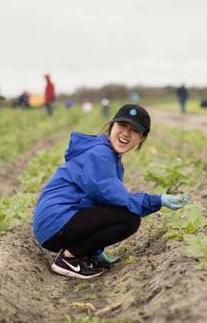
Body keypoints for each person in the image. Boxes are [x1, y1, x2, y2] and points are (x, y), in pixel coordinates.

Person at [33, 104, 192, 279]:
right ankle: (68, 259)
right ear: (112, 126)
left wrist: (95, 249)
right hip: (55, 223)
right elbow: (114, 197)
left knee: (121, 214)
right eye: (122, 125)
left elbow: (101, 206)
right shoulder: (100, 154)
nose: (126, 133)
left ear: (142, 138)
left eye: (134, 130)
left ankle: (83, 254)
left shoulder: (112, 159)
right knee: (128, 219)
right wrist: (157, 200)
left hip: (57, 222)